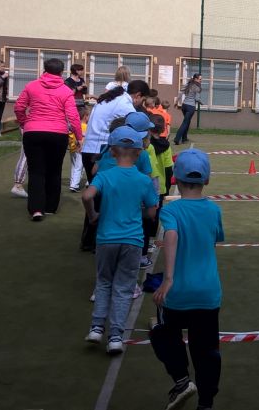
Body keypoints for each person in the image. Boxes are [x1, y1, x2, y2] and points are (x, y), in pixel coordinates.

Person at [151, 148, 225, 410]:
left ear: (176, 179)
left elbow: (171, 235)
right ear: (207, 180)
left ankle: (182, 380)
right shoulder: (214, 210)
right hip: (207, 293)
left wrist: (169, 278)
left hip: (179, 292)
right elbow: (213, 241)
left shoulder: (171, 211)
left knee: (162, 332)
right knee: (207, 350)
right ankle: (206, 402)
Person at [82, 126, 159, 355]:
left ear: (112, 151)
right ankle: (115, 336)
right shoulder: (143, 180)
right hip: (133, 240)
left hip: (106, 238)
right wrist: (139, 211)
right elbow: (152, 212)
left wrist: (93, 215)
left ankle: (96, 327)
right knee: (124, 288)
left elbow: (87, 195)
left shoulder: (105, 176)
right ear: (139, 153)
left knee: (104, 282)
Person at [80, 80, 151, 250]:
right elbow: (133, 127)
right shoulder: (125, 104)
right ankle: (98, 239)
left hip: (94, 149)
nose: (140, 105)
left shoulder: (112, 98)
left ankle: (90, 239)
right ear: (138, 95)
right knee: (107, 199)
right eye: (142, 101)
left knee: (97, 197)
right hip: (104, 151)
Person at [14, 58, 83, 221]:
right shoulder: (66, 90)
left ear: (44, 69)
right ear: (61, 72)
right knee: (54, 170)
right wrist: (79, 137)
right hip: (58, 134)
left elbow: (19, 107)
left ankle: (36, 209)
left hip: (33, 132)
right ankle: (51, 206)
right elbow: (73, 116)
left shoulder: (31, 86)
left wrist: (24, 123)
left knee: (36, 171)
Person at [145, 114, 174, 268]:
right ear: (163, 129)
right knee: (156, 213)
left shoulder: (146, 145)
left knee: (145, 213)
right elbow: (169, 168)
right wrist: (168, 185)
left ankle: (145, 239)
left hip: (146, 184)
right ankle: (150, 240)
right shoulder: (166, 146)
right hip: (160, 186)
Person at [174, 73, 202, 145]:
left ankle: (184, 138)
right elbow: (197, 98)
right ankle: (177, 138)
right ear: (195, 79)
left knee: (187, 121)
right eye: (200, 79)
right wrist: (201, 102)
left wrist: (176, 101)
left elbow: (180, 92)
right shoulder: (198, 87)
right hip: (190, 107)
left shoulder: (188, 84)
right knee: (185, 122)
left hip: (184, 106)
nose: (201, 80)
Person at [68, 107, 90, 193]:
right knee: (79, 167)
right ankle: (74, 185)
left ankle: (72, 183)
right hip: (80, 149)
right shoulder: (85, 127)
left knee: (74, 167)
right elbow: (83, 138)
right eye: (88, 116)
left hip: (72, 149)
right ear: (85, 116)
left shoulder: (75, 126)